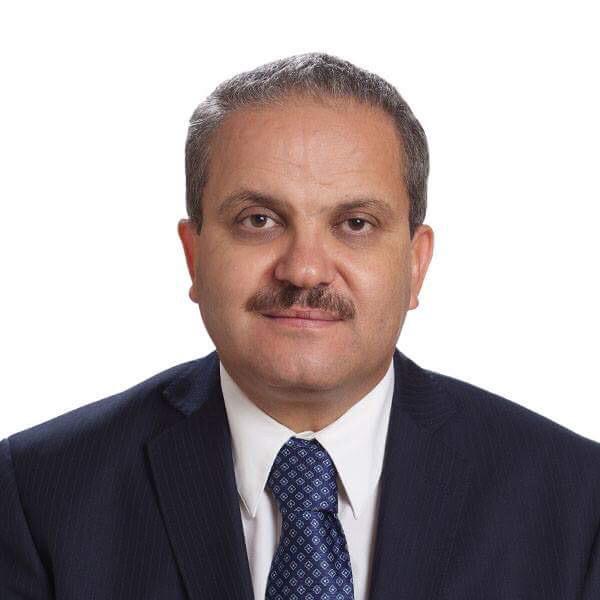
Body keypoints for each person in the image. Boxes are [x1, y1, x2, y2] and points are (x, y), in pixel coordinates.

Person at [1, 52, 599, 600]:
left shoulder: (576, 501)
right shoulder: (38, 495)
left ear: (415, 265)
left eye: (356, 223)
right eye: (258, 220)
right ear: (194, 255)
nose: (304, 269)